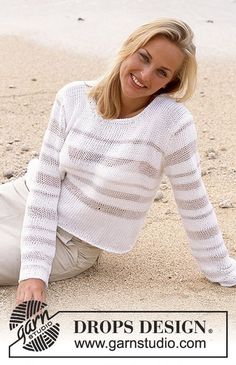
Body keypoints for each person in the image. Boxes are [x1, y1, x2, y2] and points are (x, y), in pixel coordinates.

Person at [0, 18, 236, 305]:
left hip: (73, 242)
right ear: (129, 48)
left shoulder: (172, 124)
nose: (145, 75)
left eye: (161, 72)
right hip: (26, 197)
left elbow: (194, 202)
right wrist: (35, 267)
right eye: (143, 58)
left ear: (170, 82)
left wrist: (222, 269)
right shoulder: (72, 97)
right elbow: (47, 183)